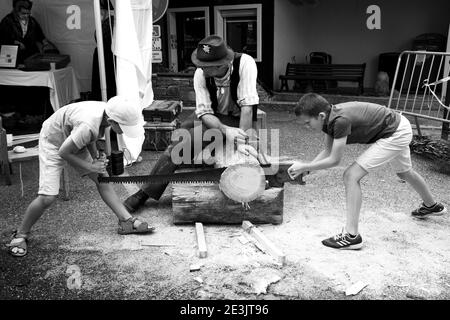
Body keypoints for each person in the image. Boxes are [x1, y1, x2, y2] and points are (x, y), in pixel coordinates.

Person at [289, 93, 447, 250]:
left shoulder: (340, 121)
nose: (307, 127)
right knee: (404, 172)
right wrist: (307, 170)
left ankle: (351, 236)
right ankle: (432, 206)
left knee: (351, 175)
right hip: (398, 125)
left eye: (307, 123)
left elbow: (335, 160)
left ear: (321, 115)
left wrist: (304, 166)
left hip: (395, 132)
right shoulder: (329, 120)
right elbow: (327, 152)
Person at [123, 35, 260, 212]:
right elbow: (204, 112)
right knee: (178, 145)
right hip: (213, 117)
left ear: (221, 64)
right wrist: (225, 130)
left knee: (195, 143)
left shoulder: (245, 64)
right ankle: (145, 192)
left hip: (238, 116)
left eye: (205, 67)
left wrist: (241, 141)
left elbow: (248, 108)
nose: (200, 68)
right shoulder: (200, 74)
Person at [7, 96, 155, 257]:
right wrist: (91, 165)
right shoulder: (89, 124)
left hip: (71, 138)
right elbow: (64, 151)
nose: (125, 131)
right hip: (53, 142)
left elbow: (89, 137)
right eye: (124, 127)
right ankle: (20, 234)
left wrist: (97, 156)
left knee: (102, 179)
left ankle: (126, 220)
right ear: (112, 121)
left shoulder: (108, 112)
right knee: (47, 197)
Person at [0, 0, 52, 64]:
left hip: (30, 55)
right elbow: (2, 38)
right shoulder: (7, 21)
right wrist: (14, 42)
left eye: (28, 13)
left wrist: (45, 43)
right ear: (16, 11)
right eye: (23, 13)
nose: (26, 16)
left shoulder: (32, 21)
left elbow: (40, 35)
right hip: (14, 56)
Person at [91, 0, 116, 101]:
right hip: (104, 58)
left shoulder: (110, 23)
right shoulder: (107, 22)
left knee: (108, 85)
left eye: (102, 9)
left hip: (107, 59)